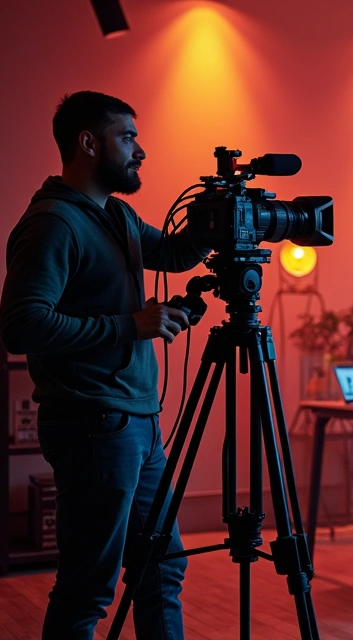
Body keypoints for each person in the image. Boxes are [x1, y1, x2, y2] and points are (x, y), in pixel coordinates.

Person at [0, 91, 209, 639]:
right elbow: (21, 326)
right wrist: (129, 325)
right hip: (92, 424)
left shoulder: (116, 213)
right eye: (128, 137)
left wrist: (217, 218)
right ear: (88, 143)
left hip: (138, 423)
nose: (140, 151)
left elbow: (176, 255)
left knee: (161, 569)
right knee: (89, 586)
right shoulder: (53, 224)